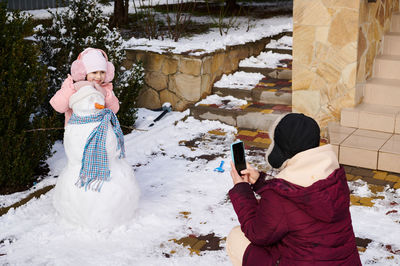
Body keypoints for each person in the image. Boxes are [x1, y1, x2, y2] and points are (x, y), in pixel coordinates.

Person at [227, 113, 361, 266]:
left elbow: (257, 233)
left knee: (236, 237)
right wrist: (260, 181)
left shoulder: (279, 197)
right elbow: (297, 196)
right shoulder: (335, 176)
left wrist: (242, 190)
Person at [50, 47, 119, 125]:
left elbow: (114, 110)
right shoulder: (71, 84)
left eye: (102, 72)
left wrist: (106, 95)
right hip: (77, 132)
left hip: (99, 132)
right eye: (94, 72)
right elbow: (58, 106)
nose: (99, 77)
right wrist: (73, 88)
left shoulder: (105, 87)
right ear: (83, 72)